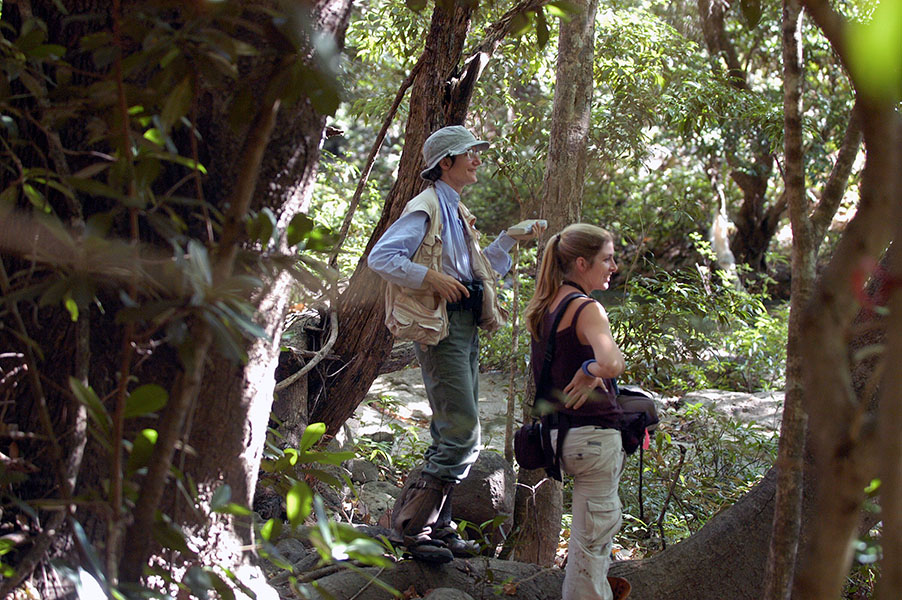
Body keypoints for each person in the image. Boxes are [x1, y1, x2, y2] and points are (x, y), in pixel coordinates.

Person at [368, 125, 545, 563]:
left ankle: (440, 526)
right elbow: (382, 258)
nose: (478, 161)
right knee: (462, 429)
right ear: (445, 163)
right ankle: (414, 530)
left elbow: (478, 273)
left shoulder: (456, 209)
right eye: (470, 154)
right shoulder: (427, 205)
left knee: (457, 429)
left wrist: (508, 238)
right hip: (441, 329)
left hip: (463, 323)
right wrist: (429, 278)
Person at [523, 223, 626, 600]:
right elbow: (611, 363)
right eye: (607, 258)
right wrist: (589, 370)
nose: (613, 265)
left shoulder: (544, 307)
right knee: (590, 555)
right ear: (581, 263)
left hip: (557, 440)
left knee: (588, 546)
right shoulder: (587, 309)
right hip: (594, 441)